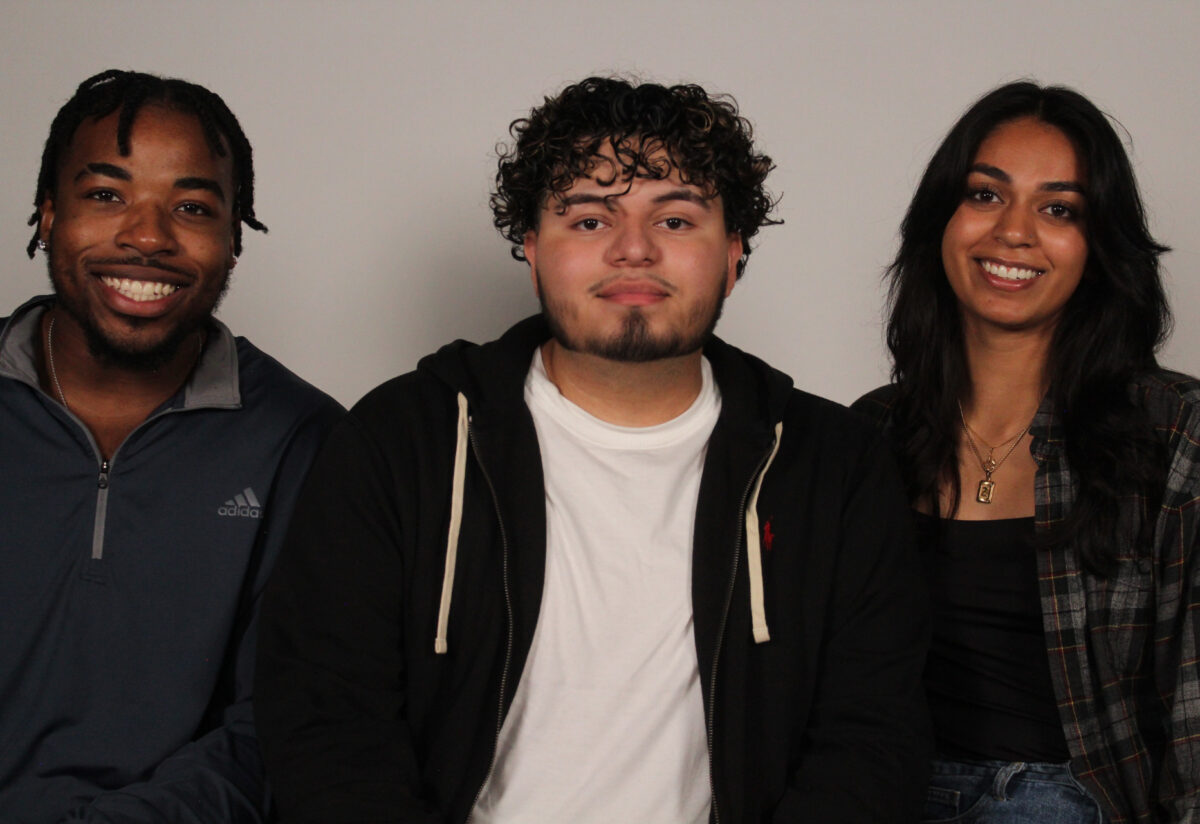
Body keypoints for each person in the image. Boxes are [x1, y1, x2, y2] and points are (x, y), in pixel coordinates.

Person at [255, 76, 930, 823]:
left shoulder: (832, 466)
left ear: (734, 254)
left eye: (675, 220)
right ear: (533, 250)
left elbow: (872, 741)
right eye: (587, 220)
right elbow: (325, 721)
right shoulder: (400, 440)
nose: (633, 249)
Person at [0, 70, 343, 823]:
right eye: (106, 195)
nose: (148, 236)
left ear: (232, 239)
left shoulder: (302, 439)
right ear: (48, 213)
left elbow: (281, 723)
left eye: (190, 207)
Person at [853, 81, 1200, 823]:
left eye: (1058, 209)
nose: (1014, 233)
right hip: (889, 789)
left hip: (1067, 797)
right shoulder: (874, 433)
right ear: (940, 220)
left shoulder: (1175, 432)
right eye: (985, 195)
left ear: (1100, 246)